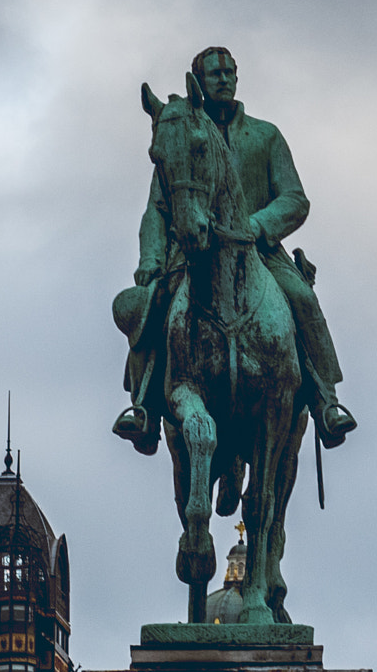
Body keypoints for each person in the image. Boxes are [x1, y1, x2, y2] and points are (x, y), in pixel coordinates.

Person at [114, 46, 358, 454]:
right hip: (190, 256)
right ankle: (144, 408)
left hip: (259, 254)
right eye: (214, 74)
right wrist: (151, 260)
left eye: (230, 72)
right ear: (199, 83)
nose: (224, 79)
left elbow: (295, 198)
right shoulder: (180, 134)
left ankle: (326, 400)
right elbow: (157, 209)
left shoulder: (265, 135)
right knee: (152, 306)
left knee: (301, 298)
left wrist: (258, 225)